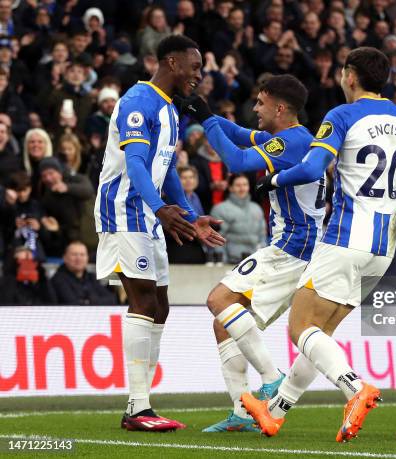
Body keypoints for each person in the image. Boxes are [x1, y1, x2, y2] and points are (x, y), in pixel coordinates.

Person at [241, 47, 396, 442]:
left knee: (301, 326)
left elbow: (313, 167)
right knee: (321, 334)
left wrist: (274, 181)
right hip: (383, 248)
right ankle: (275, 411)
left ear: (351, 76)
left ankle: (355, 388)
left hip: (344, 239)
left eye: (341, 72)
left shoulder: (342, 116)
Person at [180, 74, 325, 433]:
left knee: (218, 299)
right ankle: (243, 413)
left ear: (280, 107)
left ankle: (272, 378)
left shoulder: (290, 142)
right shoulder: (290, 138)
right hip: (299, 247)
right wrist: (210, 116)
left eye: (260, 103)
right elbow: (242, 134)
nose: (255, 109)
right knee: (224, 323)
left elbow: (237, 161)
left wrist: (207, 120)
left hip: (292, 246)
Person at [93, 35, 225, 433]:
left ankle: (141, 404)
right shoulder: (138, 102)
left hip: (149, 214)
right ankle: (137, 408)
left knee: (161, 305)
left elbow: (164, 169)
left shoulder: (169, 109)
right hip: (124, 211)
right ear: (171, 62)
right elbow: (135, 165)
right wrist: (160, 209)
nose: (198, 76)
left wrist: (188, 214)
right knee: (144, 300)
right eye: (194, 67)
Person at [209, 174, 266, 264]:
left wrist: (262, 258)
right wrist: (222, 263)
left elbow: (262, 237)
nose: (242, 188)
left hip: (255, 261)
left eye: (245, 185)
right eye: (238, 185)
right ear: (230, 188)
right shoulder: (220, 209)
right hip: (232, 261)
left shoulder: (256, 208)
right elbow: (217, 240)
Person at [51, 241, 118, 305]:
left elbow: (112, 299)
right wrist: (94, 300)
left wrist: (88, 302)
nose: (78, 258)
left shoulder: (91, 277)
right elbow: (73, 304)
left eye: (82, 255)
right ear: (65, 258)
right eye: (74, 254)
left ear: (87, 258)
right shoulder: (58, 279)